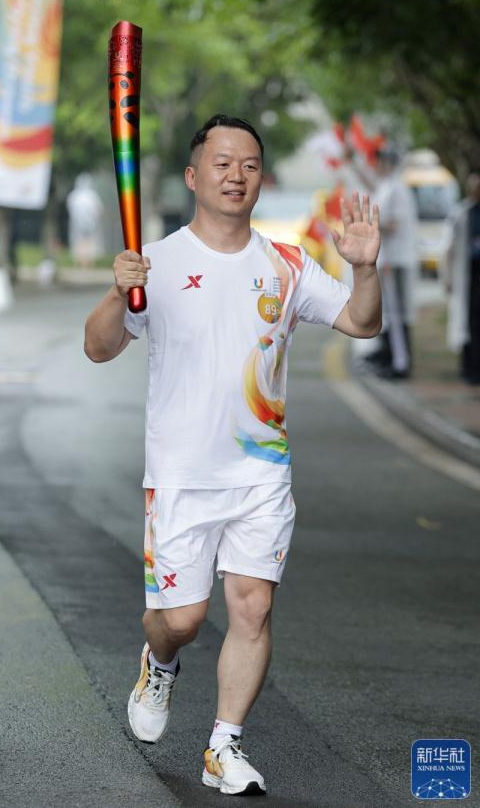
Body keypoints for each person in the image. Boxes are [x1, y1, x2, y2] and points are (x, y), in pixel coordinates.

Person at [84, 114, 381, 796]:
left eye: (248, 163)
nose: (235, 174)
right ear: (194, 177)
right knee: (183, 620)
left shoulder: (287, 264)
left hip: (261, 472)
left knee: (251, 608)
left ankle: (225, 745)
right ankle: (159, 662)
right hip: (182, 474)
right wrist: (115, 287)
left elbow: (363, 322)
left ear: (260, 175)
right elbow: (99, 347)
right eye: (221, 163)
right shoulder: (156, 261)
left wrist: (365, 269)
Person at [345, 146, 417, 378]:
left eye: (379, 163)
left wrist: (370, 228)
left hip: (396, 259)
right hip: (388, 258)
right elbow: (371, 185)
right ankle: (392, 357)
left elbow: (394, 224)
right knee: (390, 313)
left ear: (388, 164)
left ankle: (401, 363)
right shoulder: (388, 186)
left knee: (398, 314)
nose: (376, 167)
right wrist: (353, 162)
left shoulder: (398, 188)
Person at [444, 171, 480, 384]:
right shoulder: (461, 213)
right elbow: (449, 248)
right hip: (467, 275)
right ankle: (469, 370)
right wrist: (447, 277)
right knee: (467, 324)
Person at [66, 173, 104, 268]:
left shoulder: (74, 195)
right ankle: (89, 262)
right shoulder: (92, 195)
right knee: (89, 242)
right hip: (91, 223)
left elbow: (69, 208)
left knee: (79, 241)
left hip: (77, 223)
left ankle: (80, 262)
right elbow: (99, 209)